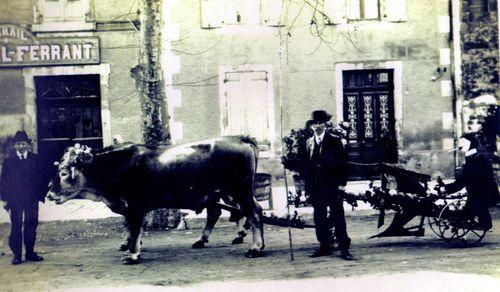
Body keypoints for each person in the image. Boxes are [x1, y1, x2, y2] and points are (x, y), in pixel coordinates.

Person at [303, 110, 353, 260]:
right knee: (319, 217)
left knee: (338, 216)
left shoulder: (335, 140)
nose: (318, 126)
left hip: (332, 186)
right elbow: (306, 168)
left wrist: (342, 185)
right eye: (315, 123)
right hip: (316, 187)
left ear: (325, 124)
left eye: (321, 123)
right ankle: (324, 246)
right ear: (311, 126)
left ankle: (344, 248)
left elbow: (344, 164)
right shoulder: (308, 143)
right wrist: (308, 189)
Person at [0, 131, 45, 265]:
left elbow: (40, 179)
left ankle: (30, 253)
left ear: (28, 145)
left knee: (31, 224)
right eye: (18, 144)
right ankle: (17, 255)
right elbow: (3, 182)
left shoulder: (35, 159)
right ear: (15, 146)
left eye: (23, 143)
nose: (21, 146)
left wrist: (40, 195)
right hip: (15, 200)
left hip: (31, 198)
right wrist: (6, 198)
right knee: (16, 226)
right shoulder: (9, 162)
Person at [441, 133, 500, 231]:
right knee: (466, 211)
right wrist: (447, 188)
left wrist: (447, 188)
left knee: (476, 207)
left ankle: (484, 223)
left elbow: (465, 180)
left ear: (471, 144)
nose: (460, 145)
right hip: (477, 192)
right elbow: (464, 179)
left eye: (463, 142)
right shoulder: (471, 158)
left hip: (484, 193)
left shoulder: (478, 159)